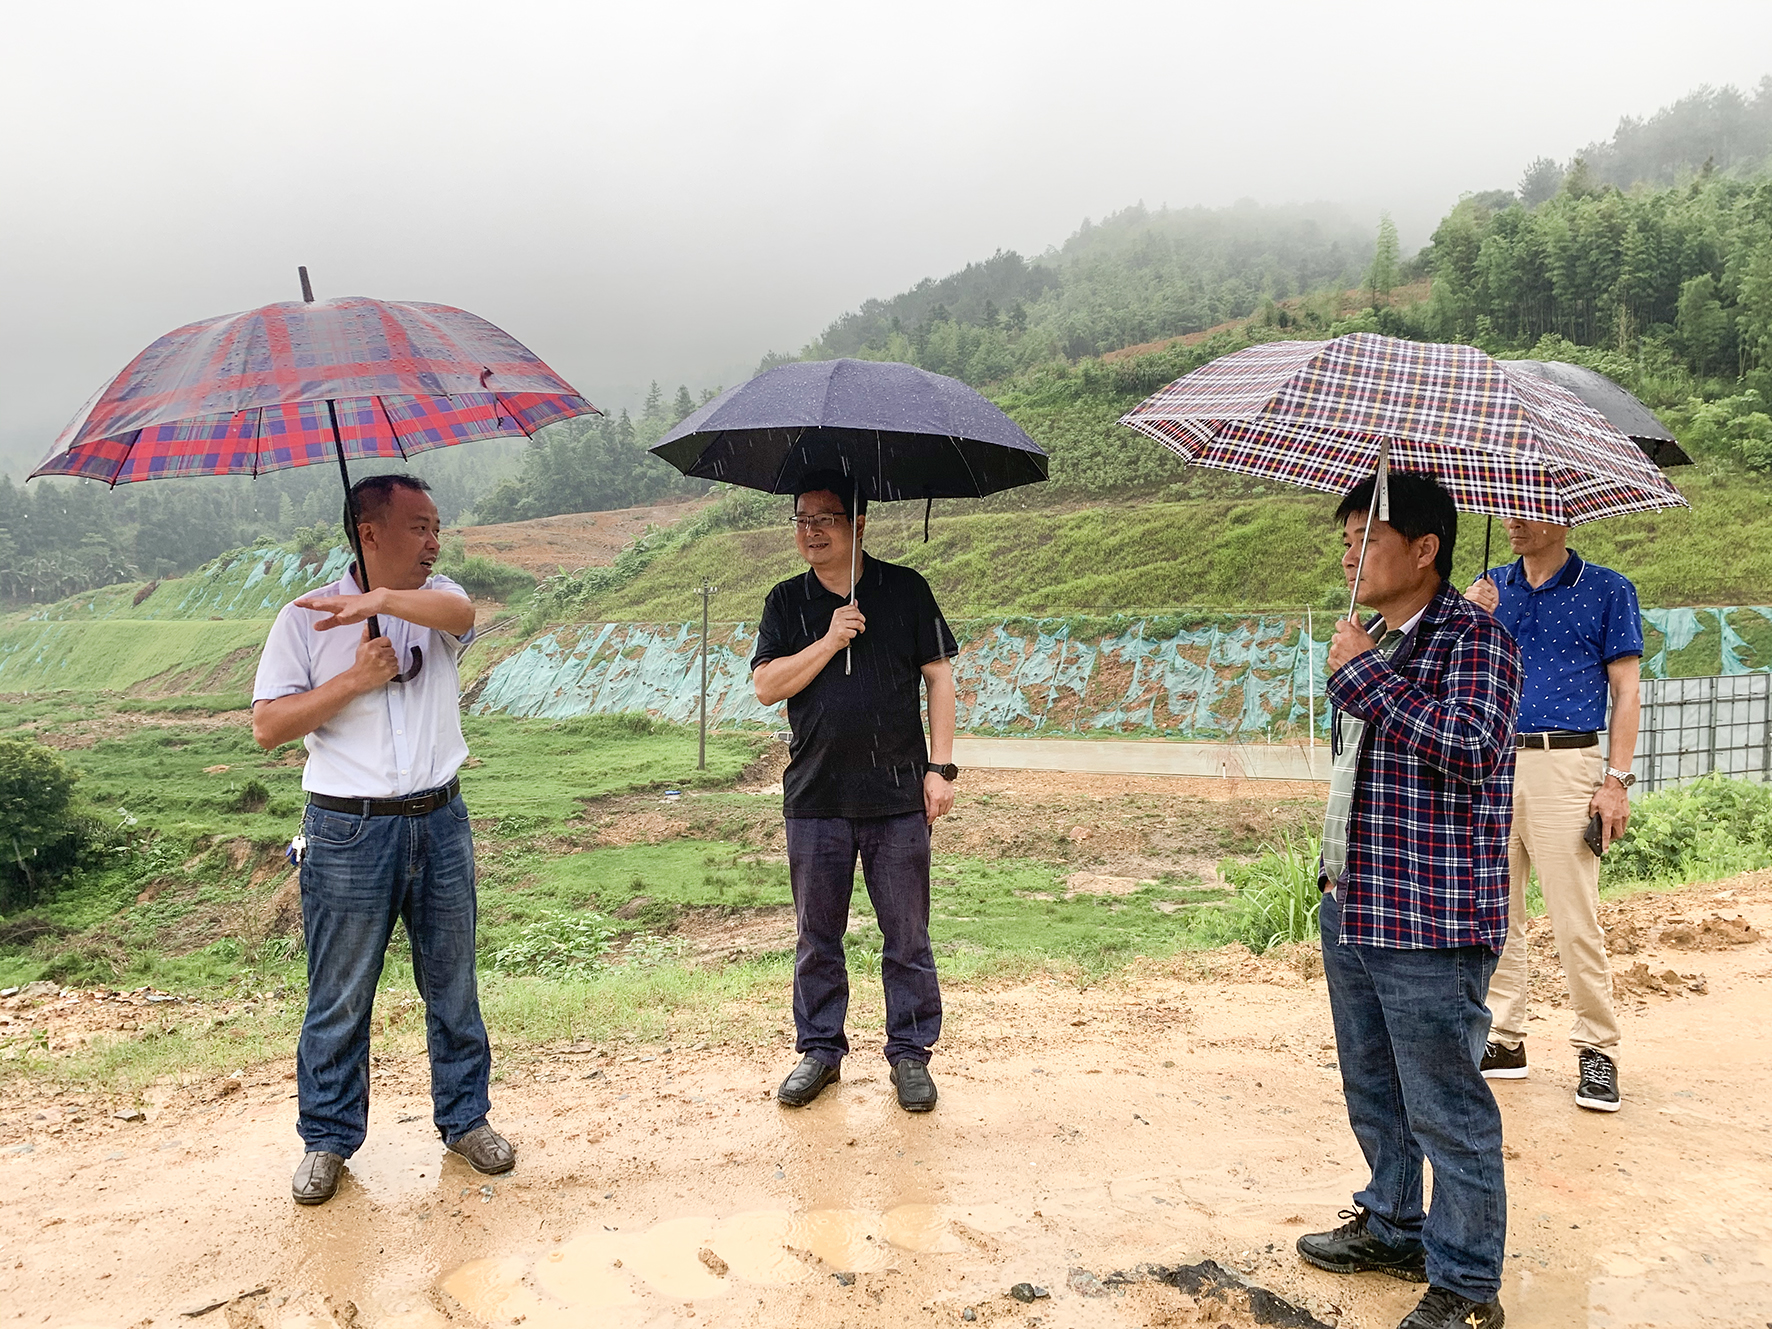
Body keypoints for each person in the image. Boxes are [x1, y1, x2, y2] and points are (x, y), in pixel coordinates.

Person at [1296, 472, 1520, 1329]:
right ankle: (1393, 1221)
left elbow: (1469, 748)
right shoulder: (1375, 640)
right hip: (1355, 897)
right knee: (1374, 1085)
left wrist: (1361, 679)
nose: (1349, 553)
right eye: (1346, 538)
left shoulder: (1477, 641)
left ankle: (1466, 1285)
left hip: (1431, 917)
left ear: (1425, 550)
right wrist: (1358, 669)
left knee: (1447, 1104)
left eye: (1367, 538)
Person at [251, 474, 513, 1205]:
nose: (435, 542)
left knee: (453, 984)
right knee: (337, 995)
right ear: (369, 533)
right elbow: (269, 726)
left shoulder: (436, 603)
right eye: (418, 527)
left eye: (436, 526)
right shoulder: (302, 620)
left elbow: (461, 609)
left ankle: (466, 1119)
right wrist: (355, 680)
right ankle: (327, 1138)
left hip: (439, 817)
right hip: (346, 829)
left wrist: (381, 602)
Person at [750, 470, 959, 1113]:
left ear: (858, 524)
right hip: (816, 795)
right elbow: (766, 686)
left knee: (908, 934)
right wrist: (830, 638)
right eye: (801, 519)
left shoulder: (905, 590)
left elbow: (940, 678)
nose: (810, 531)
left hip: (898, 794)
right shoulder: (786, 603)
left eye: (826, 518)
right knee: (818, 934)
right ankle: (819, 1050)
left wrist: (941, 769)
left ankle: (910, 1056)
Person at [1465, 519, 1641, 1112]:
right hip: (1491, 762)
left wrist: (1616, 781)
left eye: (1527, 509)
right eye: (1508, 508)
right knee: (1498, 911)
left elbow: (1627, 692)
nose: (1512, 520)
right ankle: (1505, 1037)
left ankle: (1598, 1048)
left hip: (1566, 762)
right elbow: (1456, 674)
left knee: (1574, 915)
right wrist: (1469, 619)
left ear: (1561, 517)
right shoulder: (1487, 588)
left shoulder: (1608, 589)